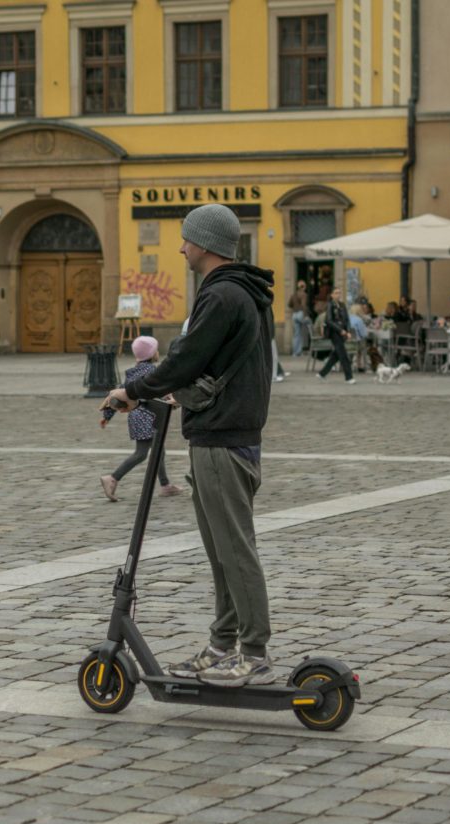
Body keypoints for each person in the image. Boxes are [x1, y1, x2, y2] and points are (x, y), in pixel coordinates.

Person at [104, 202, 276, 688]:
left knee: (235, 551)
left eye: (185, 238)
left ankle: (256, 653)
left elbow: (184, 358)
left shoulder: (222, 295)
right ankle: (223, 644)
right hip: (221, 433)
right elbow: (214, 364)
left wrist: (132, 391)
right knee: (221, 550)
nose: (180, 246)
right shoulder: (242, 292)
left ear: (204, 243)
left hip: (223, 439)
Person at [99, 335, 182, 501]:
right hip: (149, 415)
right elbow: (160, 391)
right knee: (141, 453)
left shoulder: (132, 373)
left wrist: (107, 415)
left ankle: (165, 485)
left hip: (136, 415)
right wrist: (173, 400)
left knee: (159, 450)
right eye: (156, 349)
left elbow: (121, 394)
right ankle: (113, 478)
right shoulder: (152, 371)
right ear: (153, 354)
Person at [315, 289, 355, 383]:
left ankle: (322, 373)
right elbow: (329, 320)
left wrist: (348, 331)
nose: (338, 295)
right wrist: (340, 330)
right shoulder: (330, 305)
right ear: (332, 295)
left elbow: (347, 320)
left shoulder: (342, 305)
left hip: (343, 333)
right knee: (343, 355)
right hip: (334, 333)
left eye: (339, 293)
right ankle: (349, 377)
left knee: (336, 354)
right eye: (336, 293)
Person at [287, 281, 309, 373]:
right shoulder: (304, 294)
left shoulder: (294, 294)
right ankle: (303, 348)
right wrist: (306, 315)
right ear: (303, 287)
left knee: (296, 334)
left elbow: (289, 305)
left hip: (294, 314)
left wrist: (295, 307)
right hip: (300, 313)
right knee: (308, 328)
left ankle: (296, 352)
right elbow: (304, 305)